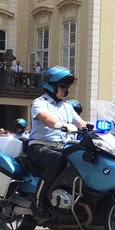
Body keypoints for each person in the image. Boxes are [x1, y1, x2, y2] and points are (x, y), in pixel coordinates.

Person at [28, 67, 86, 220]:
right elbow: (45, 118)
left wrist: (97, 129)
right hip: (39, 146)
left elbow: (80, 122)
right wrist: (62, 125)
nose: (65, 90)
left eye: (66, 87)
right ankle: (37, 201)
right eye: (62, 86)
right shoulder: (40, 103)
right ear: (50, 85)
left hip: (62, 147)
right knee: (57, 160)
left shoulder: (67, 106)